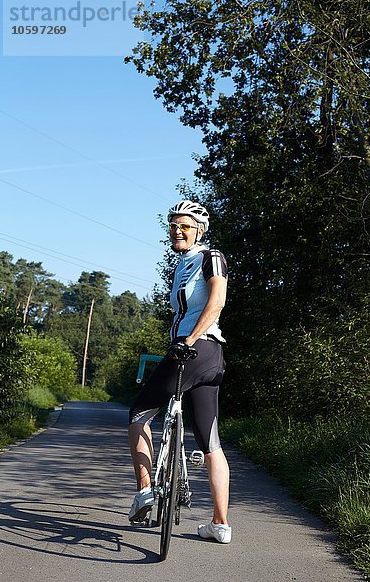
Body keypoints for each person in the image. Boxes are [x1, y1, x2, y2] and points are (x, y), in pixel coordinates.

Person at [128, 200, 231, 544]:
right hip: (203, 354)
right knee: (210, 440)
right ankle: (220, 525)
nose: (177, 230)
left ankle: (145, 491)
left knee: (139, 413)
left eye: (185, 225)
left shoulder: (209, 256)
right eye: (173, 225)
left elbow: (217, 302)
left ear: (199, 230)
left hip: (197, 350)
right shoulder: (181, 266)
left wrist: (188, 339)